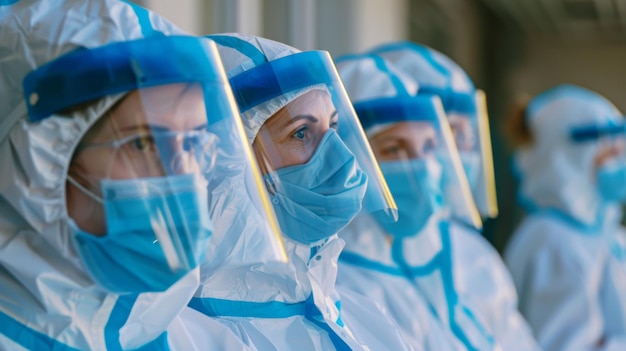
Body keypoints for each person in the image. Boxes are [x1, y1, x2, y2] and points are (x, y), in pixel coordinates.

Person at [0, 1, 283, 350]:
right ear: (33, 162)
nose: (183, 174)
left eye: (193, 141)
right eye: (145, 143)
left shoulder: (199, 340)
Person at [188, 33, 414, 351]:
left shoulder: (363, 318)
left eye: (332, 128)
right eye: (301, 132)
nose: (340, 156)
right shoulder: (187, 336)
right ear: (228, 163)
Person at [368, 41, 539, 351]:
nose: (456, 151)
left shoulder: (475, 255)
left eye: (463, 135)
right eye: (443, 133)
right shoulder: (344, 265)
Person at [336, 53, 499, 351]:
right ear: (346, 157)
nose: (421, 168)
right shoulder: (341, 284)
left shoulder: (423, 269)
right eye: (395, 149)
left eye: (428, 147)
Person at [505, 84, 626, 350]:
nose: (620, 167)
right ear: (567, 161)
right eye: (610, 155)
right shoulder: (552, 240)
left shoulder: (604, 234)